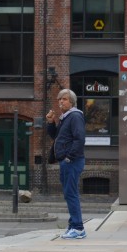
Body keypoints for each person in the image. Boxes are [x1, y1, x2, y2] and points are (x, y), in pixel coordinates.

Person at [46, 88, 87, 240]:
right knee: (69, 193)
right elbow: (57, 137)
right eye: (59, 100)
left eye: (64, 99)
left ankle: (78, 228)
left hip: (72, 161)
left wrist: (69, 158)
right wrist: (51, 123)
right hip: (67, 161)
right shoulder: (66, 117)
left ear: (71, 101)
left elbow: (79, 139)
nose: (60, 102)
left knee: (71, 193)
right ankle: (73, 225)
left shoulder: (75, 116)